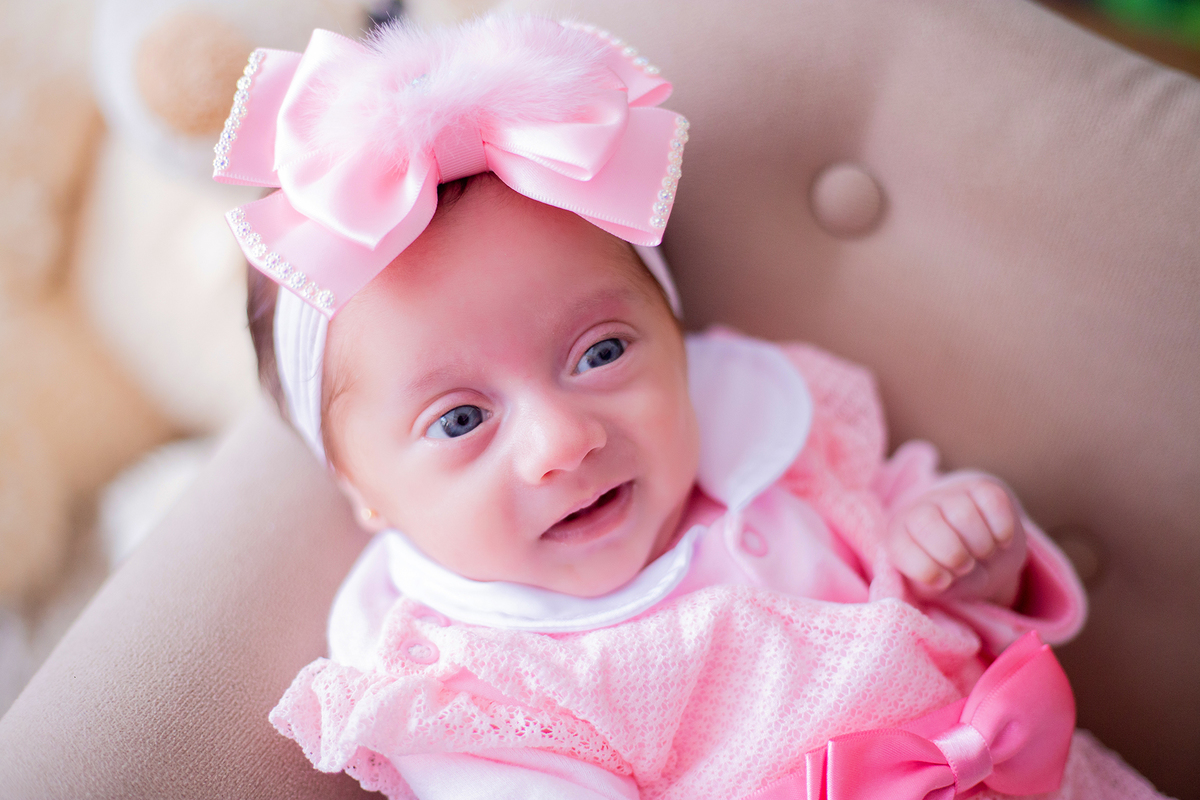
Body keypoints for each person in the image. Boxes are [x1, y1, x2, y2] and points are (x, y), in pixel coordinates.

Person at [215, 13, 1157, 800]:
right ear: (362, 490)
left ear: (674, 335)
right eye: (461, 420)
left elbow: (940, 569)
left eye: (602, 352)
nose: (563, 439)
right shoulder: (468, 684)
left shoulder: (788, 439)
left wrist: (965, 553)